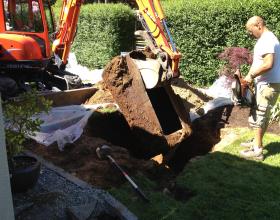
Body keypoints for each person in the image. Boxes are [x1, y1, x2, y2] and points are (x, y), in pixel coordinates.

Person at [240, 16, 280, 160]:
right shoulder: (265, 40)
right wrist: (248, 77)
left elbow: (268, 63)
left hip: (268, 85)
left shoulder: (268, 39)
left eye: (251, 31)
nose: (250, 34)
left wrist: (252, 76)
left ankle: (257, 151)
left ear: (258, 25)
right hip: (266, 83)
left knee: (260, 116)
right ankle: (256, 142)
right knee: (260, 115)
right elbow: (259, 62)